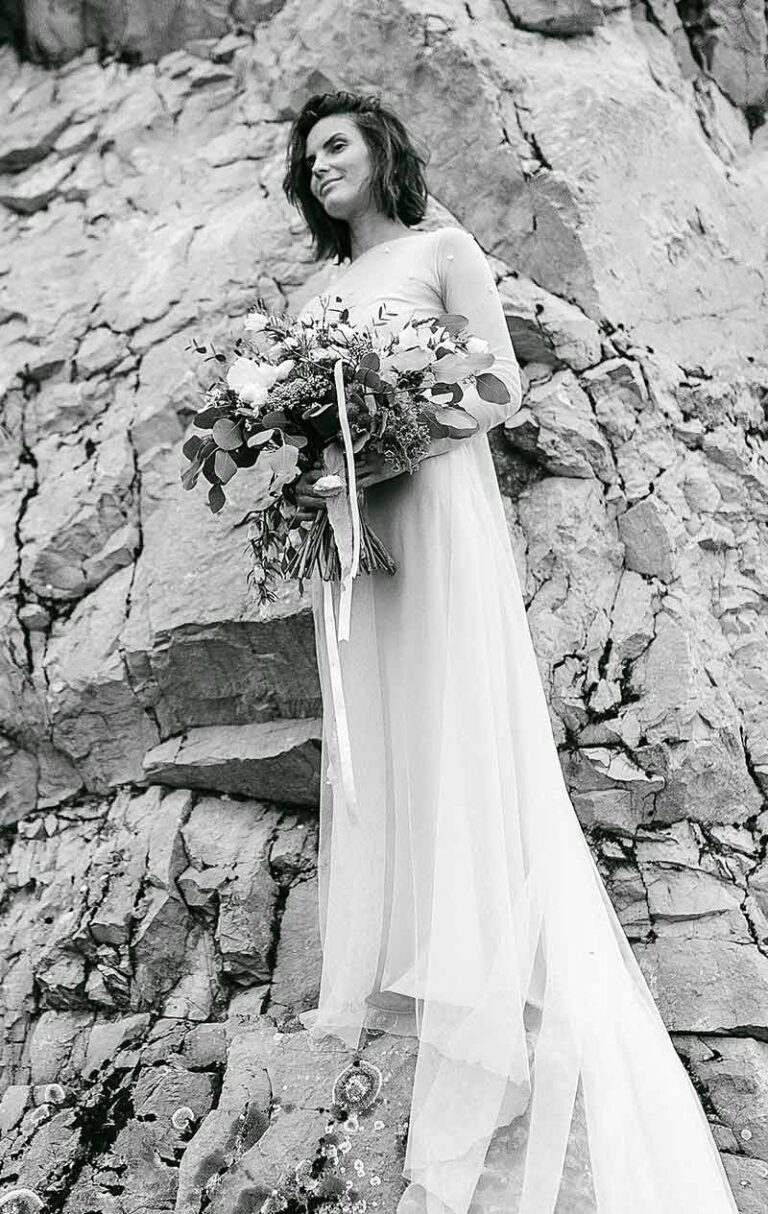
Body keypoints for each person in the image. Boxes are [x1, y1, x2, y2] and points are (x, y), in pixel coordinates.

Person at [281, 91, 739, 1214]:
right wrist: (315, 454)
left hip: (432, 503)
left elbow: (498, 385)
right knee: (379, 719)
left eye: (336, 145)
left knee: (451, 704)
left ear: (383, 153)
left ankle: (484, 965)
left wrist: (393, 435)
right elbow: (303, 417)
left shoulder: (442, 251)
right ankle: (404, 958)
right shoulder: (309, 294)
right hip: (356, 526)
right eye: (307, 156)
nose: (320, 164)